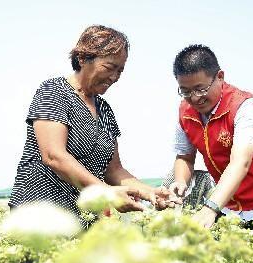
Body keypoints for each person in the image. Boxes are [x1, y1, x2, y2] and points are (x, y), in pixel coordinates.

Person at [9, 25, 172, 222]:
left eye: (120, 70)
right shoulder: (53, 92)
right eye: (110, 67)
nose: (114, 77)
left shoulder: (105, 110)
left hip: (83, 218)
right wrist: (107, 193)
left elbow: (114, 170)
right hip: (41, 215)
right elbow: (54, 156)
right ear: (83, 58)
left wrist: (150, 193)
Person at [167, 45, 253, 228]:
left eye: (200, 89)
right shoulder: (185, 112)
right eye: (186, 91)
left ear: (220, 77)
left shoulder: (245, 107)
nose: (195, 98)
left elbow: (240, 163)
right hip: (229, 203)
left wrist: (211, 207)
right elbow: (185, 156)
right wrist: (181, 181)